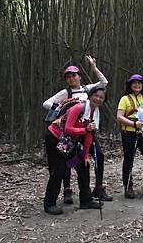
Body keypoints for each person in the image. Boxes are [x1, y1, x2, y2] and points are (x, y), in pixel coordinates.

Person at [42, 56, 112, 203]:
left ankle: (88, 197)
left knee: (84, 163)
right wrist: (63, 107)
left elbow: (104, 83)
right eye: (68, 76)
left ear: (79, 76)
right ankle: (54, 200)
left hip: (78, 134)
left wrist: (93, 67)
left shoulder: (91, 101)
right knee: (60, 168)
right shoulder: (71, 99)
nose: (71, 78)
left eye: (74, 75)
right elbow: (48, 106)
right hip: (60, 135)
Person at [43, 86, 105, 215]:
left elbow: (89, 135)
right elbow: (68, 128)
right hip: (56, 137)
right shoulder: (78, 107)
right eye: (96, 96)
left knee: (83, 166)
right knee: (59, 169)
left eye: (101, 98)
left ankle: (86, 200)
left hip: (71, 140)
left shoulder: (95, 113)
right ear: (90, 96)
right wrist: (85, 129)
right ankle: (49, 204)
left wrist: (86, 154)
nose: (98, 99)